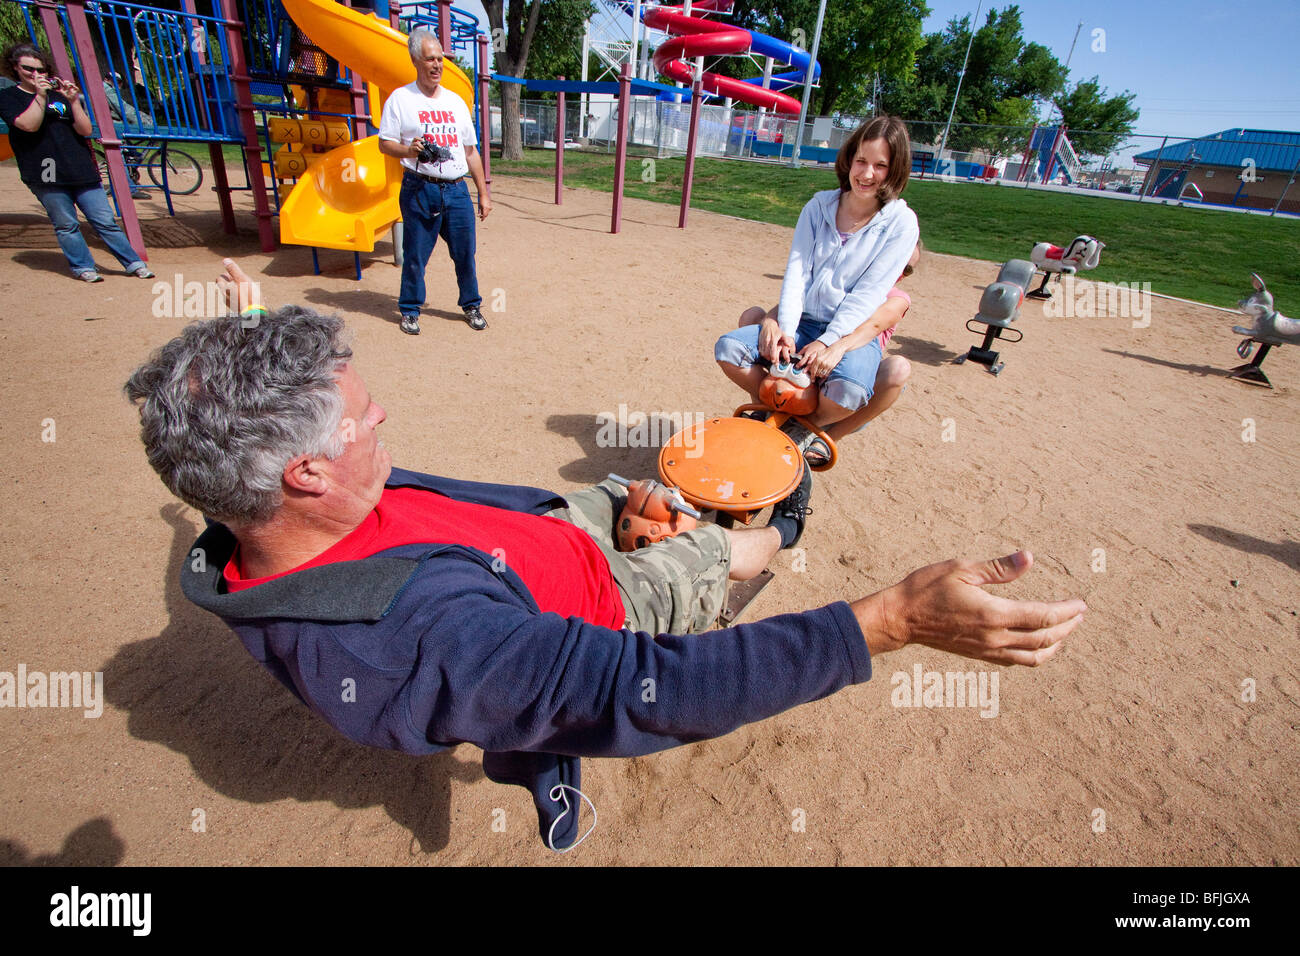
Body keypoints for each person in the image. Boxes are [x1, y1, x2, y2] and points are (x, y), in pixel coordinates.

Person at [124, 258, 1085, 850]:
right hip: (601, 609)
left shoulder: (264, 506)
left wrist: (252, 331)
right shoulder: (400, 646)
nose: (384, 423)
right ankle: (739, 566)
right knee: (752, 538)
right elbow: (644, 690)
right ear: (303, 474)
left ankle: (547, 730)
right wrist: (892, 619)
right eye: (365, 421)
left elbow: (277, 438)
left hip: (543, 537)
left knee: (634, 522)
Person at [716, 115, 918, 437]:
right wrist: (789, 332)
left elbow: (869, 292)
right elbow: (798, 274)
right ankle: (773, 407)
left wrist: (829, 342)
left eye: (880, 166)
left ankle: (805, 429)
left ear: (894, 170)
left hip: (847, 333)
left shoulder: (901, 223)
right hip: (806, 319)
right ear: (849, 158)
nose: (866, 174)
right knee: (728, 349)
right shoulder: (819, 207)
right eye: (861, 160)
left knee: (850, 390)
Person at [733, 241, 922, 445]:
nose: (900, 271)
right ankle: (762, 406)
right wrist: (770, 323)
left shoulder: (896, 298)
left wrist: (831, 348)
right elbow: (789, 306)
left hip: (839, 390)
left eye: (907, 269)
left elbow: (872, 326)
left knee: (898, 368)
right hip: (800, 368)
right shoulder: (844, 276)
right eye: (897, 258)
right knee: (753, 317)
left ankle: (822, 437)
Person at [0, 43, 153, 283]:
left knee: (105, 220)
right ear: (15, 67)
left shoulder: (59, 96)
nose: (36, 75)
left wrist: (73, 102)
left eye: (41, 70)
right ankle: (83, 266)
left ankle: (133, 263)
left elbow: (84, 129)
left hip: (79, 166)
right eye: (29, 69)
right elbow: (28, 125)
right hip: (45, 170)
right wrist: (40, 95)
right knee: (66, 223)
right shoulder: (9, 96)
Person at [377, 28, 490, 335]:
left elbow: (470, 150)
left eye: (440, 59)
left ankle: (471, 305)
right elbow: (384, 143)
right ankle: (410, 309)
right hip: (419, 188)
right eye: (430, 59)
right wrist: (408, 149)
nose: (437, 65)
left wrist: (483, 192)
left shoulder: (455, 103)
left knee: (466, 253)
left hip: (456, 189)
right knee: (415, 253)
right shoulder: (400, 100)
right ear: (416, 60)